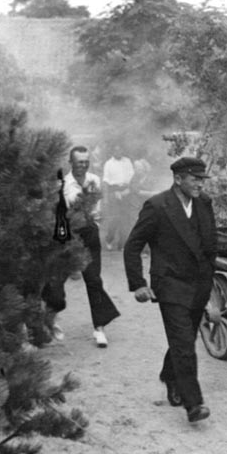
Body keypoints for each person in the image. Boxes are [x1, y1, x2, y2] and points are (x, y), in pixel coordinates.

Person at [123, 156, 217, 423]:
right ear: (178, 179)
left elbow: (210, 244)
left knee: (184, 339)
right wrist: (138, 284)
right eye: (194, 179)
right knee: (184, 344)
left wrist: (209, 279)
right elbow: (133, 246)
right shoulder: (157, 206)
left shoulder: (204, 203)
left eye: (202, 179)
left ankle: (169, 376)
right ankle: (194, 403)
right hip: (170, 285)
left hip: (199, 284)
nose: (200, 184)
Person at [63, 146, 121, 347]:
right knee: (54, 280)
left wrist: (96, 221)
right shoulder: (63, 183)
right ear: (71, 162)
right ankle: (47, 322)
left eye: (86, 161)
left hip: (89, 233)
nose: (84, 164)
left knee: (94, 279)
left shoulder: (94, 180)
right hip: (69, 234)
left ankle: (99, 328)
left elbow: (97, 209)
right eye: (80, 161)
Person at [102, 144, 135, 250]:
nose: (118, 152)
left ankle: (122, 244)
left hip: (126, 191)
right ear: (113, 152)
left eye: (120, 150)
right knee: (115, 218)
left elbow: (132, 177)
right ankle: (109, 239)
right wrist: (107, 197)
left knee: (125, 219)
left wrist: (127, 190)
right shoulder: (109, 164)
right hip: (113, 191)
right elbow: (106, 182)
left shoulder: (127, 161)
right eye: (116, 151)